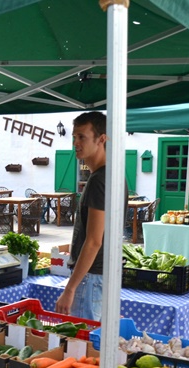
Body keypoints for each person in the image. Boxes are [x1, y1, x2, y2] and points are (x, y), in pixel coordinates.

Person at [54, 111, 126, 321]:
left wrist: (70, 289)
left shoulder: (99, 180)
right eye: (74, 137)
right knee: (95, 344)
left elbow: (94, 241)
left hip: (92, 276)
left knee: (84, 345)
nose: (76, 142)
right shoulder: (113, 175)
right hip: (103, 273)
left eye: (82, 137)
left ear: (101, 139)